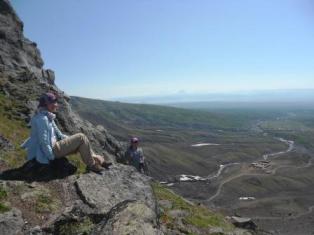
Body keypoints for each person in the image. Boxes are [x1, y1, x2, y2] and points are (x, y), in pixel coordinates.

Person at [22, 92, 110, 173]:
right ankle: (92, 165)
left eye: (55, 102)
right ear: (45, 104)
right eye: (52, 102)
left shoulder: (47, 116)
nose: (56, 105)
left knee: (80, 141)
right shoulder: (42, 119)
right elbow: (43, 141)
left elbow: (59, 134)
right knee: (81, 137)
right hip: (52, 151)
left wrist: (70, 141)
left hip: (54, 147)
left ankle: (98, 160)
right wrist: (50, 157)